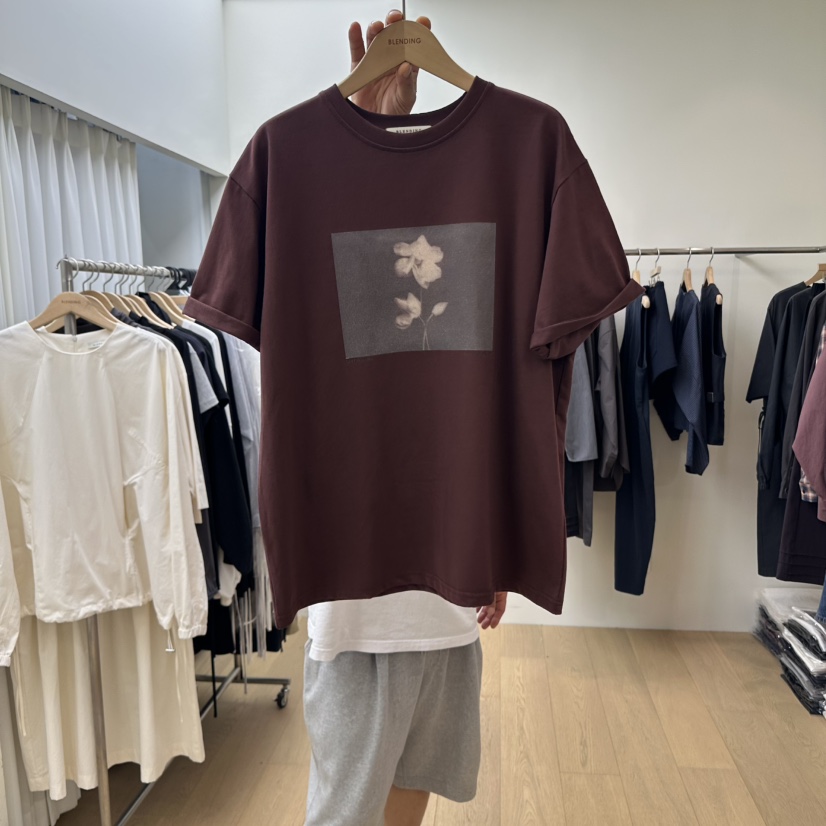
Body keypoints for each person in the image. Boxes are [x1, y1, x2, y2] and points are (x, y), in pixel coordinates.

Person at [302, 19, 508, 826]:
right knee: (345, 808)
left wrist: (496, 541)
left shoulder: (509, 167)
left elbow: (503, 393)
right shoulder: (300, 173)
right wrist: (366, 131)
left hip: (448, 606)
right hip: (356, 612)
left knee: (415, 784)